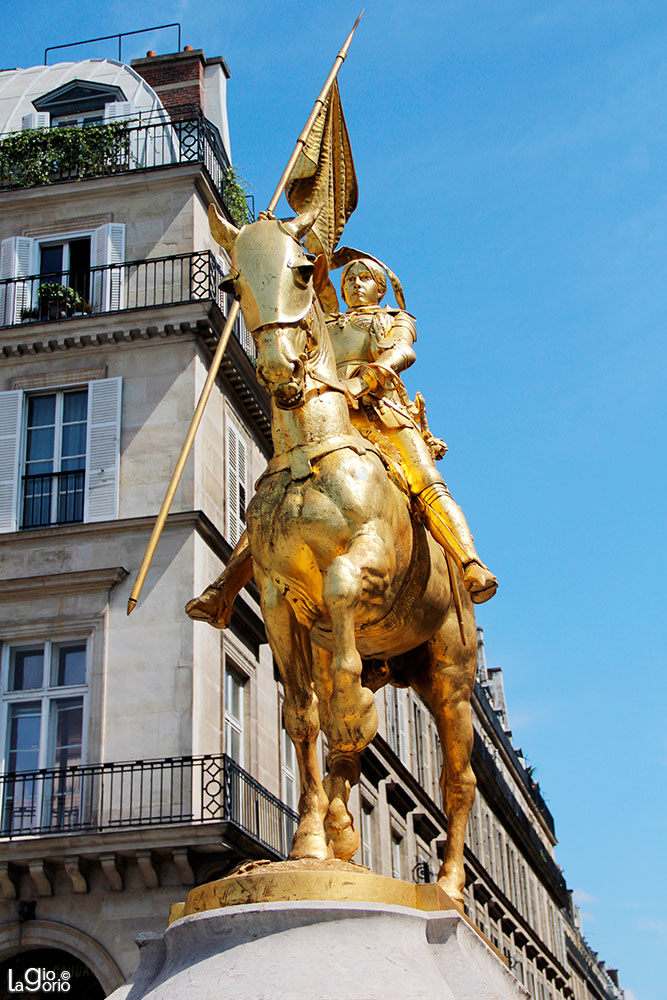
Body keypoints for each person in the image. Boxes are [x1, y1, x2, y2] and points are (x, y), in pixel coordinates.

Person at [185, 255, 496, 628]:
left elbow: (401, 352)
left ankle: (469, 562)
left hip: (381, 414)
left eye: (365, 278)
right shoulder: (328, 325)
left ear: (380, 288)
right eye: (349, 278)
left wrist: (364, 382)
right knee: (274, 500)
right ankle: (224, 589)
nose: (355, 283)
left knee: (426, 482)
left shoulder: (393, 319)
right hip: (329, 418)